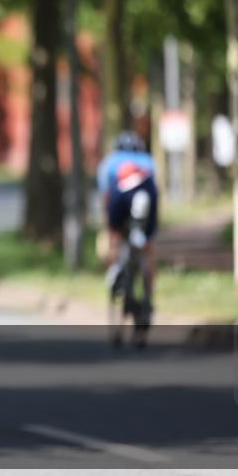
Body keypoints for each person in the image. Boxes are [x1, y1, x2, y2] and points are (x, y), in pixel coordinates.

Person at [97, 131, 159, 333]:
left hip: (119, 197)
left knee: (113, 240)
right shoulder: (148, 161)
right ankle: (148, 297)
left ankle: (115, 271)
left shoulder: (109, 162)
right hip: (148, 199)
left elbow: (105, 195)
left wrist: (111, 227)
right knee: (147, 249)